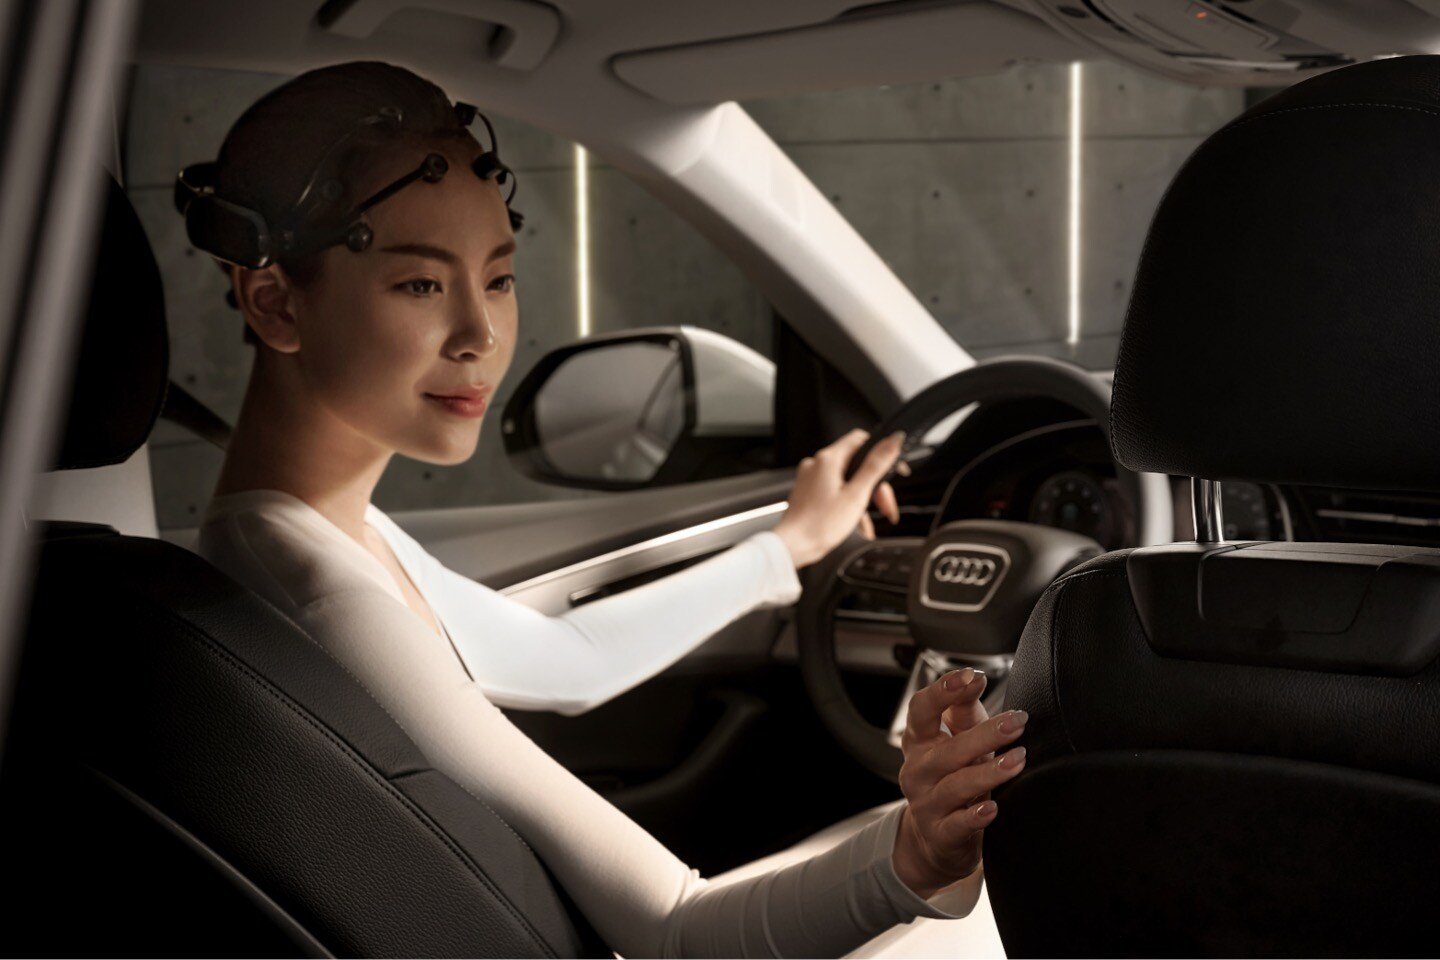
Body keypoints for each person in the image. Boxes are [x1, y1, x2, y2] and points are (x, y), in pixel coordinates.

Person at [184, 61, 1029, 958]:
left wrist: (785, 548)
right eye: (421, 285)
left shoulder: (295, 539)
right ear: (275, 304)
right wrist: (914, 858)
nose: (480, 334)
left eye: (499, 278)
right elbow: (673, 930)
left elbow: (562, 658)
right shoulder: (323, 592)